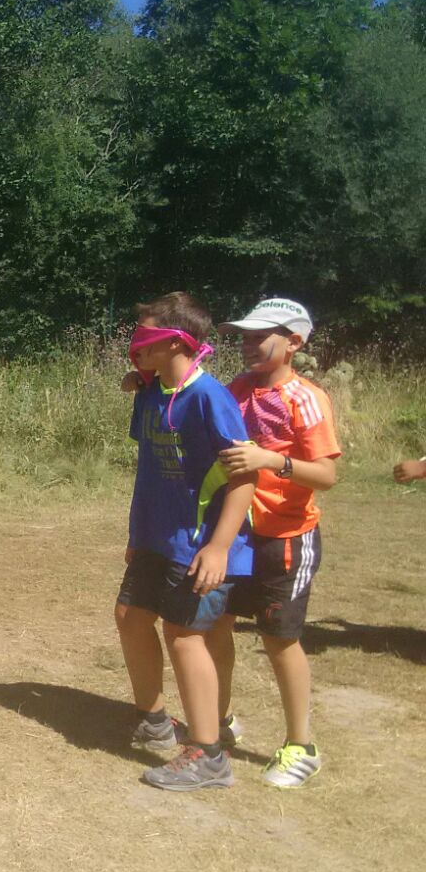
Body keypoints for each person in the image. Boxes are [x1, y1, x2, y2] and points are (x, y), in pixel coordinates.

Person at [115, 291, 255, 791]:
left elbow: (243, 478)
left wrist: (219, 546)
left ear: (174, 342)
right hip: (156, 538)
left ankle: (208, 754)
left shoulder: (210, 397)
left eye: (143, 339)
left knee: (184, 635)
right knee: (130, 617)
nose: (134, 347)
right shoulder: (151, 394)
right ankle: (155, 721)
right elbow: (150, 470)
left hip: (200, 544)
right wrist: (139, 535)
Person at [208, 298, 340, 788]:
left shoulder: (305, 398)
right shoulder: (237, 388)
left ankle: (300, 745)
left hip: (286, 538)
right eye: (242, 335)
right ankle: (217, 721)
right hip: (235, 533)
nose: (246, 344)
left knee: (279, 638)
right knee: (214, 623)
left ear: (295, 342)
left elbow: (326, 474)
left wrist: (270, 461)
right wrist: (151, 382)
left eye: (258, 335)